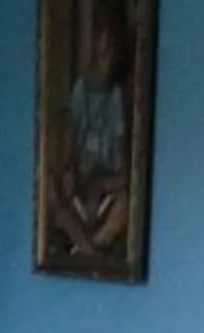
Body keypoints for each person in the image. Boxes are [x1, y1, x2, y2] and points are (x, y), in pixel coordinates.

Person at [54, 1, 131, 260]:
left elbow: (125, 168)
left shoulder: (118, 97)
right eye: (101, 38)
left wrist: (99, 183)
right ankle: (86, 249)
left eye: (111, 42)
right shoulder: (81, 89)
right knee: (56, 201)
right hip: (79, 186)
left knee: (125, 204)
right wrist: (71, 174)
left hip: (105, 188)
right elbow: (66, 150)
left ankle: (88, 250)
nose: (105, 48)